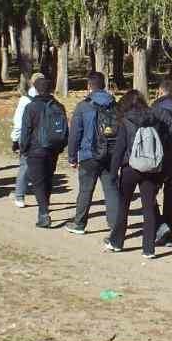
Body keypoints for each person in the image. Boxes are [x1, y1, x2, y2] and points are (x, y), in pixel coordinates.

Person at [108, 89, 167, 257]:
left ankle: (117, 242)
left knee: (123, 206)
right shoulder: (153, 120)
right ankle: (148, 249)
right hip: (150, 168)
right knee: (148, 208)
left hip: (129, 167)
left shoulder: (125, 121)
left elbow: (119, 150)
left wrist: (113, 173)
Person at [66, 72, 120, 236]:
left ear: (89, 86)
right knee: (111, 189)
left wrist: (72, 157)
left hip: (89, 154)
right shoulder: (114, 104)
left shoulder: (83, 106)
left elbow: (75, 133)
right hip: (110, 152)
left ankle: (79, 223)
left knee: (85, 190)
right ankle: (115, 225)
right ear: (104, 85)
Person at [18, 75, 68, 227]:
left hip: (35, 149)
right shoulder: (59, 106)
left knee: (38, 182)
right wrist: (60, 147)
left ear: (36, 90)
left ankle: (43, 212)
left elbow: (25, 130)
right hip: (53, 149)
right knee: (47, 179)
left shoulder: (31, 107)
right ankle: (44, 208)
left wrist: (23, 148)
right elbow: (65, 130)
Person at [152, 79, 172, 244]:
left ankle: (159, 226)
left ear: (161, 91)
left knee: (149, 193)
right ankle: (169, 233)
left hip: (159, 156)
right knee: (171, 197)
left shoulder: (155, 109)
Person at [9, 80, 39, 208]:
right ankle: (42, 196)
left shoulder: (25, 100)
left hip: (26, 137)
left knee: (25, 165)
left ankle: (19, 196)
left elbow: (18, 122)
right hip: (42, 138)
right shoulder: (49, 99)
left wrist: (15, 139)